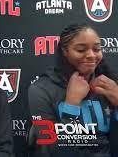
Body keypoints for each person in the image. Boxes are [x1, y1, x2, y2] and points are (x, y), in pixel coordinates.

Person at [28, 24, 118, 157]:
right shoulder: (41, 90)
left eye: (97, 49)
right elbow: (51, 151)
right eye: (81, 50)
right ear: (65, 51)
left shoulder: (110, 84)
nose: (92, 55)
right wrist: (71, 104)